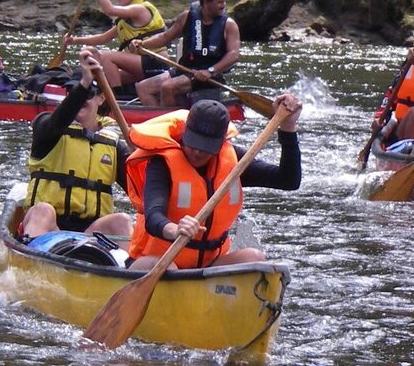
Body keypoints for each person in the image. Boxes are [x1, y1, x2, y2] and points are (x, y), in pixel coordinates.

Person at [127, 96, 302, 271]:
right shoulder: (161, 162)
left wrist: (288, 128)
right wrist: (174, 229)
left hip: (208, 265)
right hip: (158, 260)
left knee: (253, 257)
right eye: (193, 142)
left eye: (205, 147)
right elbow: (153, 217)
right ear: (185, 132)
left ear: (220, 143)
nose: (196, 151)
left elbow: (288, 180)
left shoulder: (234, 161)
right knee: (169, 268)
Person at [20, 48, 135, 248]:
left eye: (89, 94)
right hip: (50, 229)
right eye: (73, 93)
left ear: (101, 99)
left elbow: (141, 188)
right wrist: (83, 86)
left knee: (122, 220)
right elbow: (60, 118)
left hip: (92, 234)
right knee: (43, 210)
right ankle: (35, 261)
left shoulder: (113, 143)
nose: (80, 99)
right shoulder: (47, 127)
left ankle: (126, 270)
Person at [130, 0, 241, 107]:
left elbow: (234, 55)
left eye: (224, 2)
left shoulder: (229, 24)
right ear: (206, 2)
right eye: (220, 2)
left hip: (209, 76)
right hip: (184, 70)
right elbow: (165, 36)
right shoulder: (187, 17)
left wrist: (210, 71)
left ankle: (171, 121)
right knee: (142, 87)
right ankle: (157, 120)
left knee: (167, 87)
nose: (224, 6)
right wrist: (143, 43)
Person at [62, 0, 166, 90]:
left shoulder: (140, 9)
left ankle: (116, 98)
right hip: (142, 65)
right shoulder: (125, 21)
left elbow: (110, 10)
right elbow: (103, 38)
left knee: (105, 56)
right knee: (101, 77)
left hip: (156, 63)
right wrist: (74, 40)